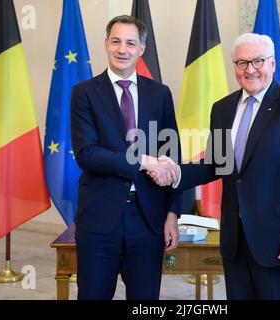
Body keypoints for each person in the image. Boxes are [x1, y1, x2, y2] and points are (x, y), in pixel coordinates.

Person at [150, 33, 280, 299]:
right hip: (235, 242)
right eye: (242, 63)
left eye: (258, 61)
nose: (250, 69)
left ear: (273, 64)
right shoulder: (223, 108)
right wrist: (175, 172)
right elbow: (215, 165)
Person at [70, 15, 182, 300]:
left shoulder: (160, 94)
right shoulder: (84, 94)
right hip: (98, 219)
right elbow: (87, 154)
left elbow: (172, 156)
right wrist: (144, 160)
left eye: (130, 43)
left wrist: (172, 214)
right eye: (116, 41)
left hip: (148, 219)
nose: (123, 49)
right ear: (106, 44)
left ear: (141, 49)